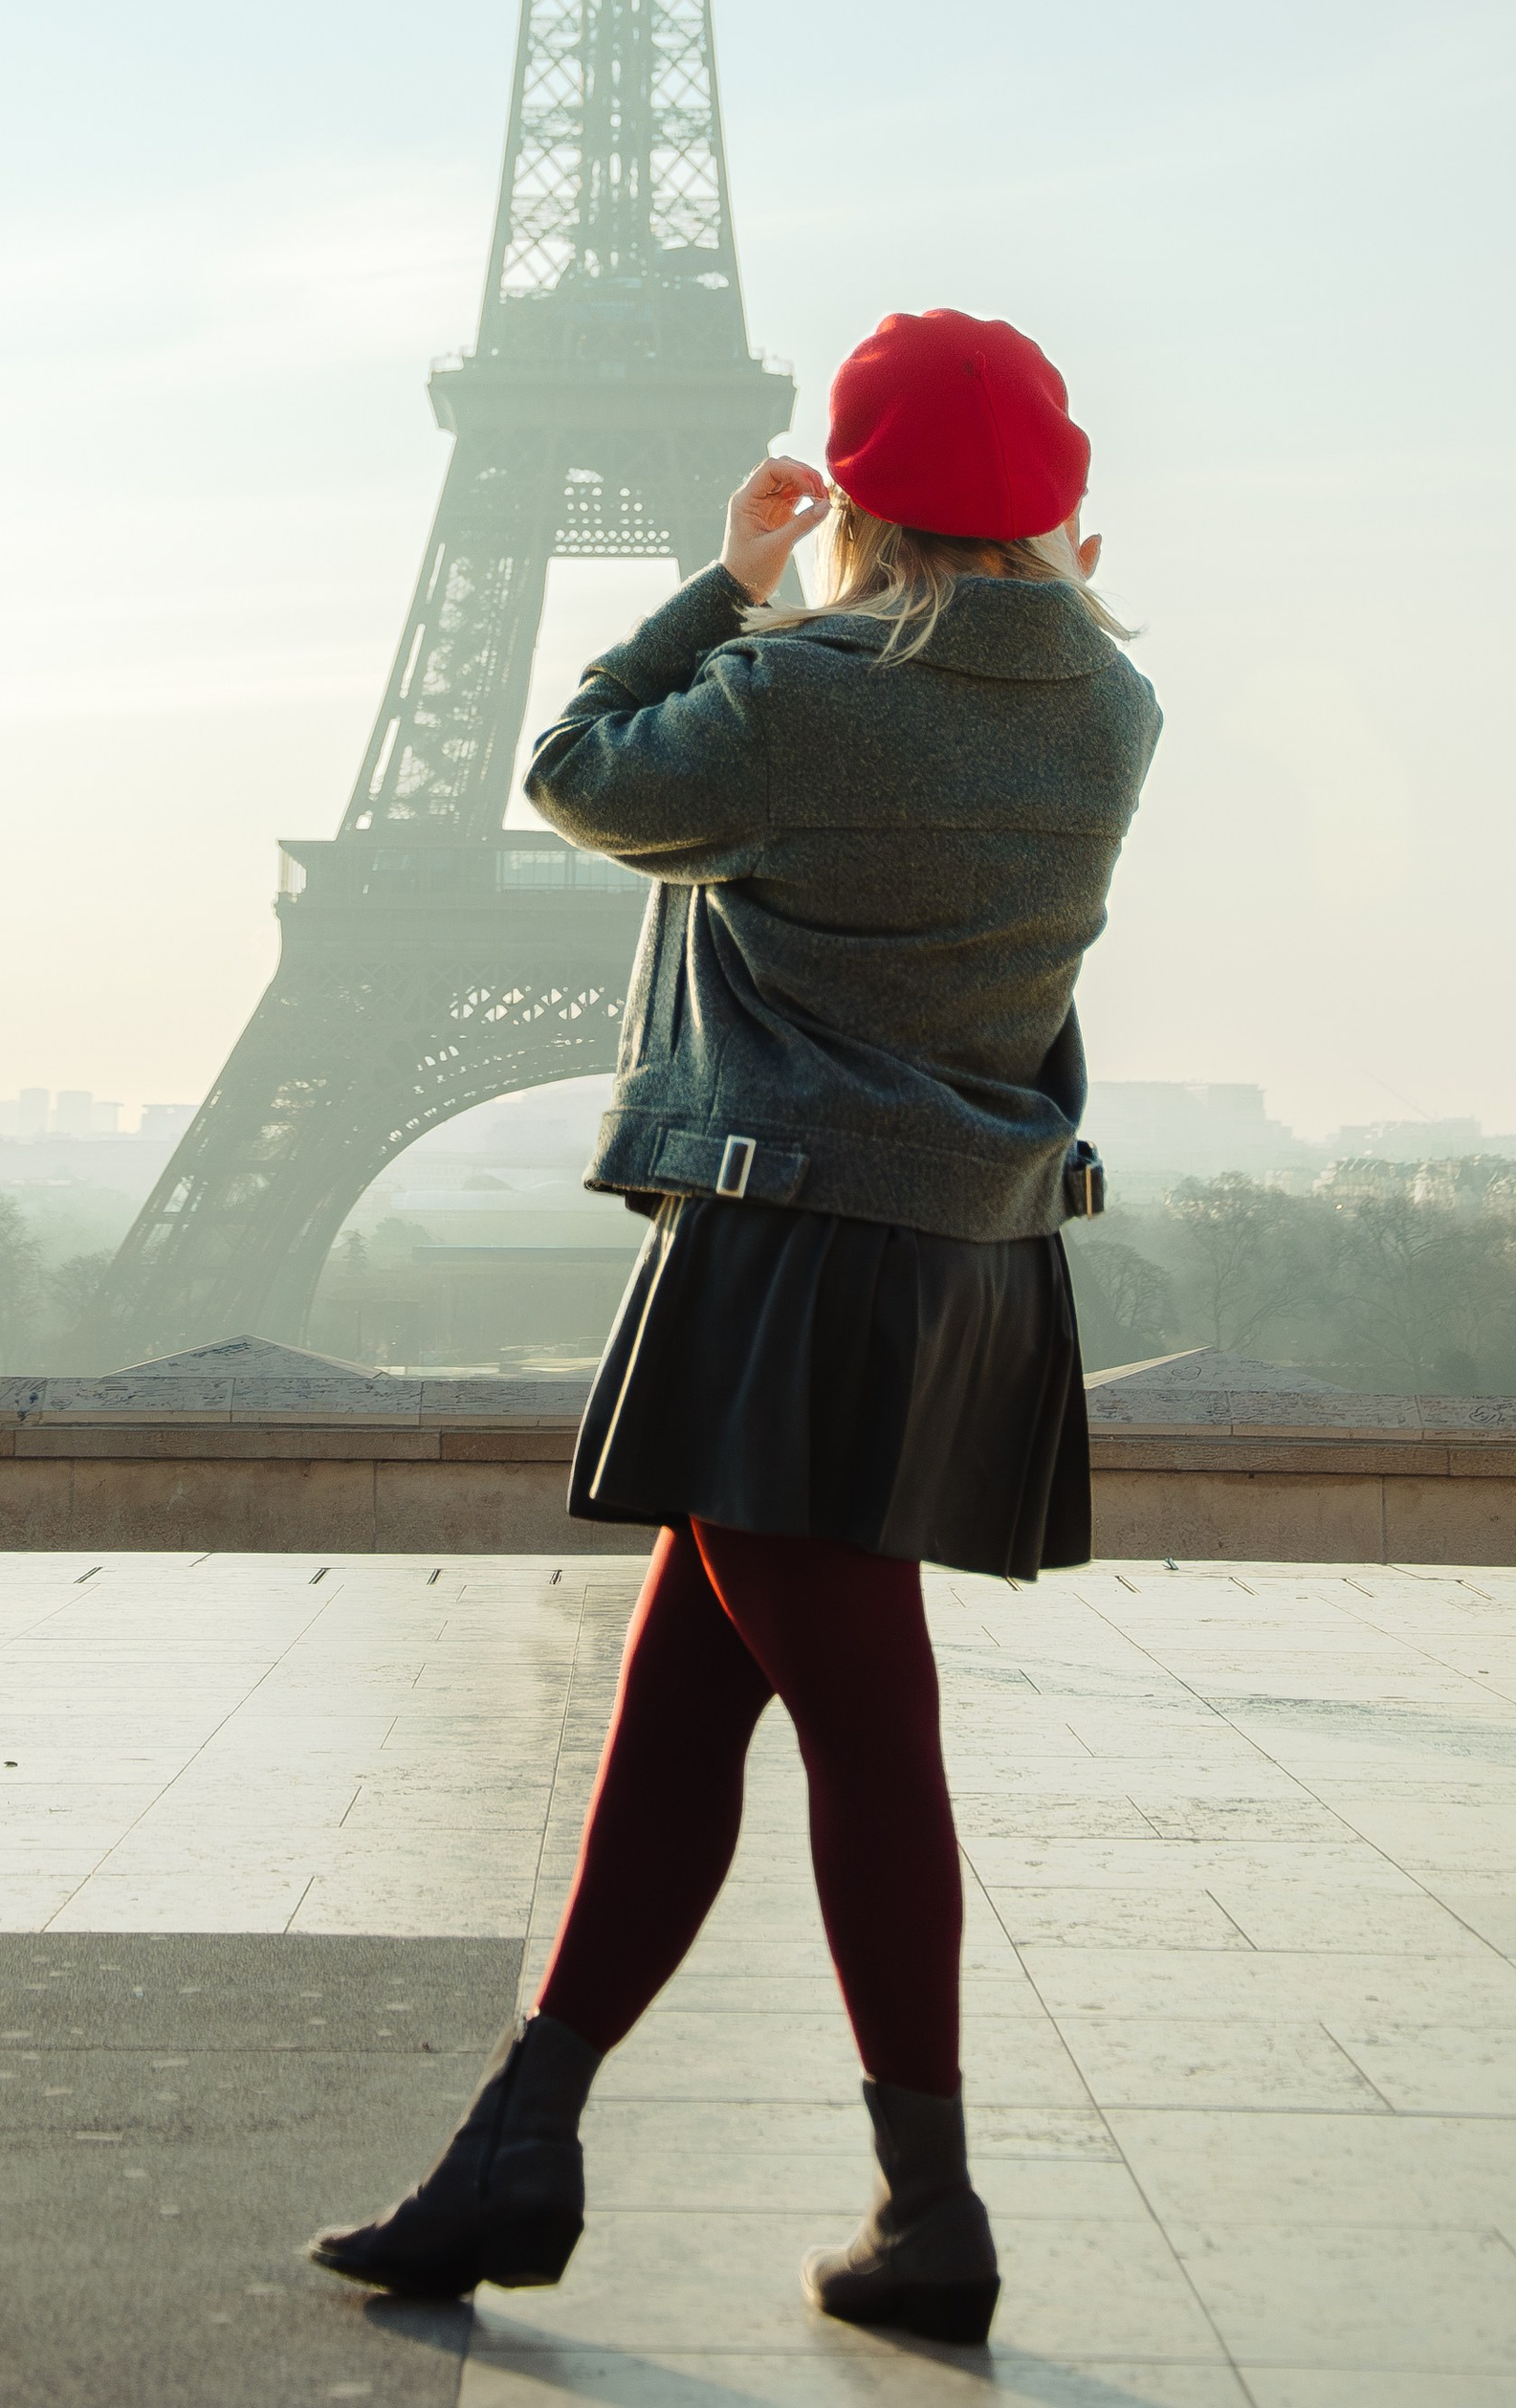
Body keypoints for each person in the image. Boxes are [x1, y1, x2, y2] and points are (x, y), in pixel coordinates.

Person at [312, 308, 1161, 2341]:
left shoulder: (785, 694)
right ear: (1055, 506)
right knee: (683, 1704)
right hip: (965, 1261)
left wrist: (726, 573)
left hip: (786, 1256)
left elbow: (567, 769)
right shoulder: (1113, 713)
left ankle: (927, 2202)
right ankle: (516, 2138)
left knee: (869, 1731)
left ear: (852, 492)